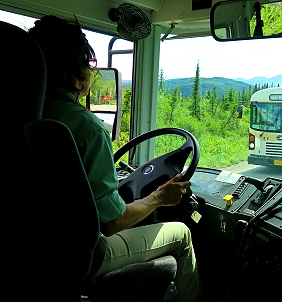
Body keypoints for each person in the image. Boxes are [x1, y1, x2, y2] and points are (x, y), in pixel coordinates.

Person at [28, 15, 201, 302]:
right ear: (77, 73)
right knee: (182, 234)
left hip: (32, 254)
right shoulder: (85, 128)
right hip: (79, 259)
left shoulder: (19, 115)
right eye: (88, 66)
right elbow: (113, 222)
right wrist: (159, 196)